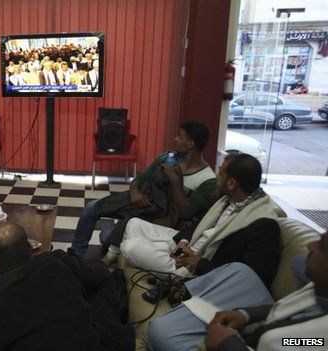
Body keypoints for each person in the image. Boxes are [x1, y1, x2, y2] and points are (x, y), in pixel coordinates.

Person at [0, 222, 134, 351]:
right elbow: (99, 275)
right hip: (91, 343)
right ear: (29, 247)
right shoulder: (54, 260)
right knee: (101, 279)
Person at [120, 153, 281, 288]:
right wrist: (183, 241)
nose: (216, 176)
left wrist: (197, 262)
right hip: (190, 245)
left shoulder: (263, 224)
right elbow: (202, 226)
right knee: (133, 224)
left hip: (194, 266)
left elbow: (254, 278)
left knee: (130, 246)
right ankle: (165, 253)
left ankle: (168, 271)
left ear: (231, 183)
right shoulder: (230, 199)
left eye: (221, 174)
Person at [149, 232, 328, 351]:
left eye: (322, 245)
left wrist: (228, 344)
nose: (310, 245)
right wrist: (245, 315)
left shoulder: (314, 341)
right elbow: (285, 309)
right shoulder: (321, 286)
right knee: (240, 269)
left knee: (160, 330)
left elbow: (292, 342)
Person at [71, 121, 216, 260]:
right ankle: (76, 255)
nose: (175, 139)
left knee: (105, 236)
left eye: (180, 136)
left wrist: (175, 182)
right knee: (91, 208)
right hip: (141, 202)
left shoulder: (207, 180)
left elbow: (185, 213)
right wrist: (135, 192)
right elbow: (139, 180)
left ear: (190, 144)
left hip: (158, 218)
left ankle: (122, 242)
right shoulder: (167, 158)